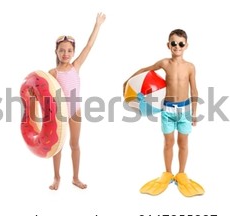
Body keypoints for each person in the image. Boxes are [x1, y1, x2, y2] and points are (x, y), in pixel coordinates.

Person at [123, 29, 204, 197]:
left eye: (181, 43)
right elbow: (146, 70)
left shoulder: (190, 67)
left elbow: (194, 90)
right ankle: (168, 172)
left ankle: (181, 173)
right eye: (173, 43)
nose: (177, 46)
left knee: (183, 143)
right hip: (167, 110)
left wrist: (194, 113)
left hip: (185, 110)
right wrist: (128, 81)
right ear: (168, 45)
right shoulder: (164, 63)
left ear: (186, 46)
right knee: (168, 143)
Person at [47, 12, 106, 190]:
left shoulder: (75, 66)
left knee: (75, 144)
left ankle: (75, 177)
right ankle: (56, 177)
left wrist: (97, 25)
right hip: (60, 113)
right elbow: (47, 95)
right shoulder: (52, 73)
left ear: (73, 52)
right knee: (58, 146)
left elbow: (89, 46)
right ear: (56, 51)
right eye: (62, 50)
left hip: (76, 111)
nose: (66, 53)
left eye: (69, 50)